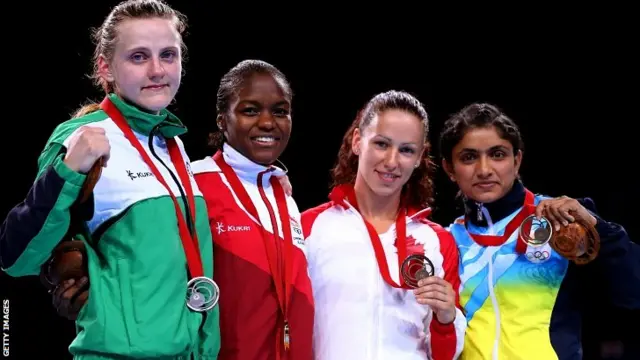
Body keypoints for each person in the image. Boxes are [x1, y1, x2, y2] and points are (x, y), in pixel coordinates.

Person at [0, 0, 220, 358]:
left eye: (168, 54)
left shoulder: (173, 145)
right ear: (106, 67)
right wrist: (68, 171)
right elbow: (16, 255)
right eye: (138, 57)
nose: (157, 70)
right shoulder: (80, 137)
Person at [438, 102, 640, 360]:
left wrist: (596, 227)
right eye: (469, 157)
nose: (484, 169)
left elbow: (634, 290)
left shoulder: (564, 222)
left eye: (498, 154)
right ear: (449, 169)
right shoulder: (445, 241)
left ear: (517, 160)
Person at [302, 90, 466, 359]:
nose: (391, 161)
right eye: (381, 144)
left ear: (418, 159)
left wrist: (446, 318)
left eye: (406, 150)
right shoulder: (309, 227)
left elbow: (445, 354)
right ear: (357, 141)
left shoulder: (437, 241)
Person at [190, 59, 314, 359]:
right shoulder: (195, 183)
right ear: (222, 119)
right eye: (250, 110)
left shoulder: (285, 196)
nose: (268, 122)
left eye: (280, 111)